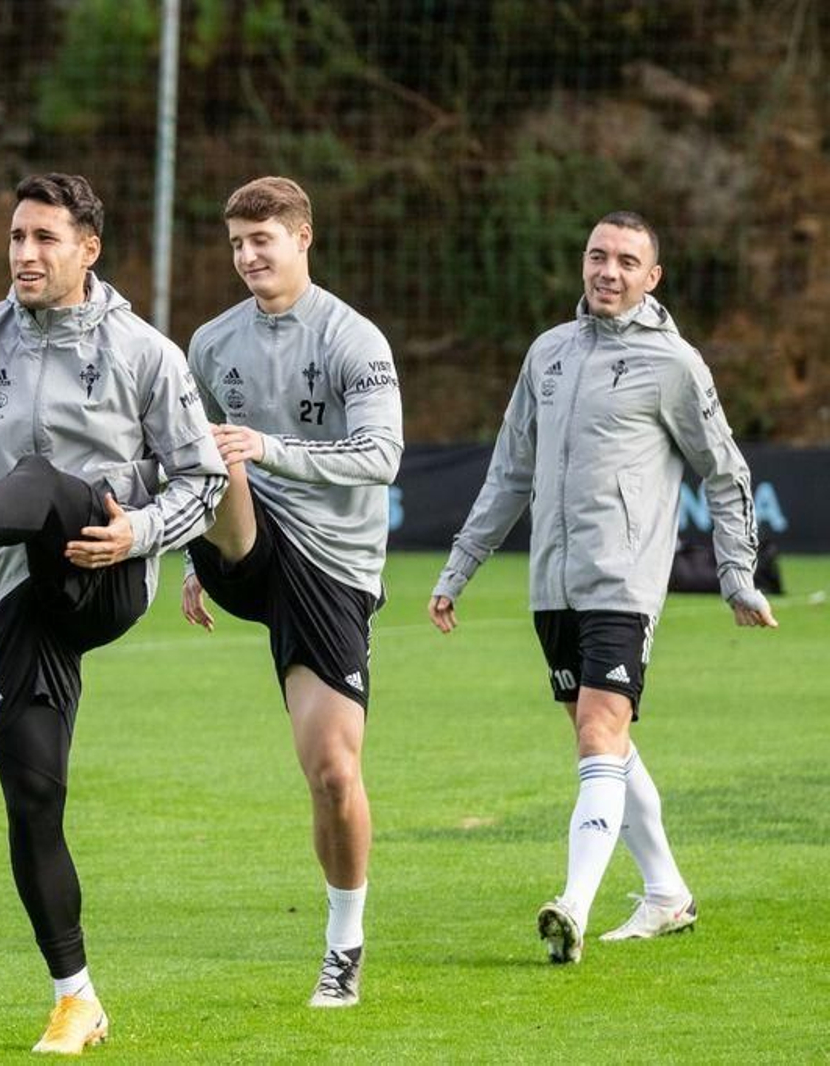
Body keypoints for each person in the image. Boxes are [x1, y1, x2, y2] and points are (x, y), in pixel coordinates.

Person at [0, 173, 226, 1054]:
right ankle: (77, 998)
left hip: (100, 566)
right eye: (17, 238)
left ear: (88, 250)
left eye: (45, 240)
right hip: (11, 595)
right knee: (31, 794)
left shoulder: (146, 352)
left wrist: (139, 531)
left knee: (42, 478)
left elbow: (206, 482)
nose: (25, 255)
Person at [428, 211, 777, 964]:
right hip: (552, 585)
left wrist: (736, 575)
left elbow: (726, 472)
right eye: (597, 256)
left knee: (597, 733)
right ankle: (666, 894)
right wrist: (460, 567)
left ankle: (573, 906)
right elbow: (509, 472)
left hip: (624, 582)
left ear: (652, 278)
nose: (607, 271)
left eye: (626, 260)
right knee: (606, 743)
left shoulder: (675, 364)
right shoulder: (548, 353)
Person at [179, 177, 402, 1008]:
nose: (247, 257)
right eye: (236, 243)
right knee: (206, 445)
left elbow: (382, 456)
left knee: (333, 772)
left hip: (333, 568)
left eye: (262, 240)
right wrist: (192, 559)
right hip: (247, 545)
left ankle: (344, 943)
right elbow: (197, 460)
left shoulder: (354, 339)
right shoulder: (211, 343)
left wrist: (270, 448)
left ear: (303, 238)